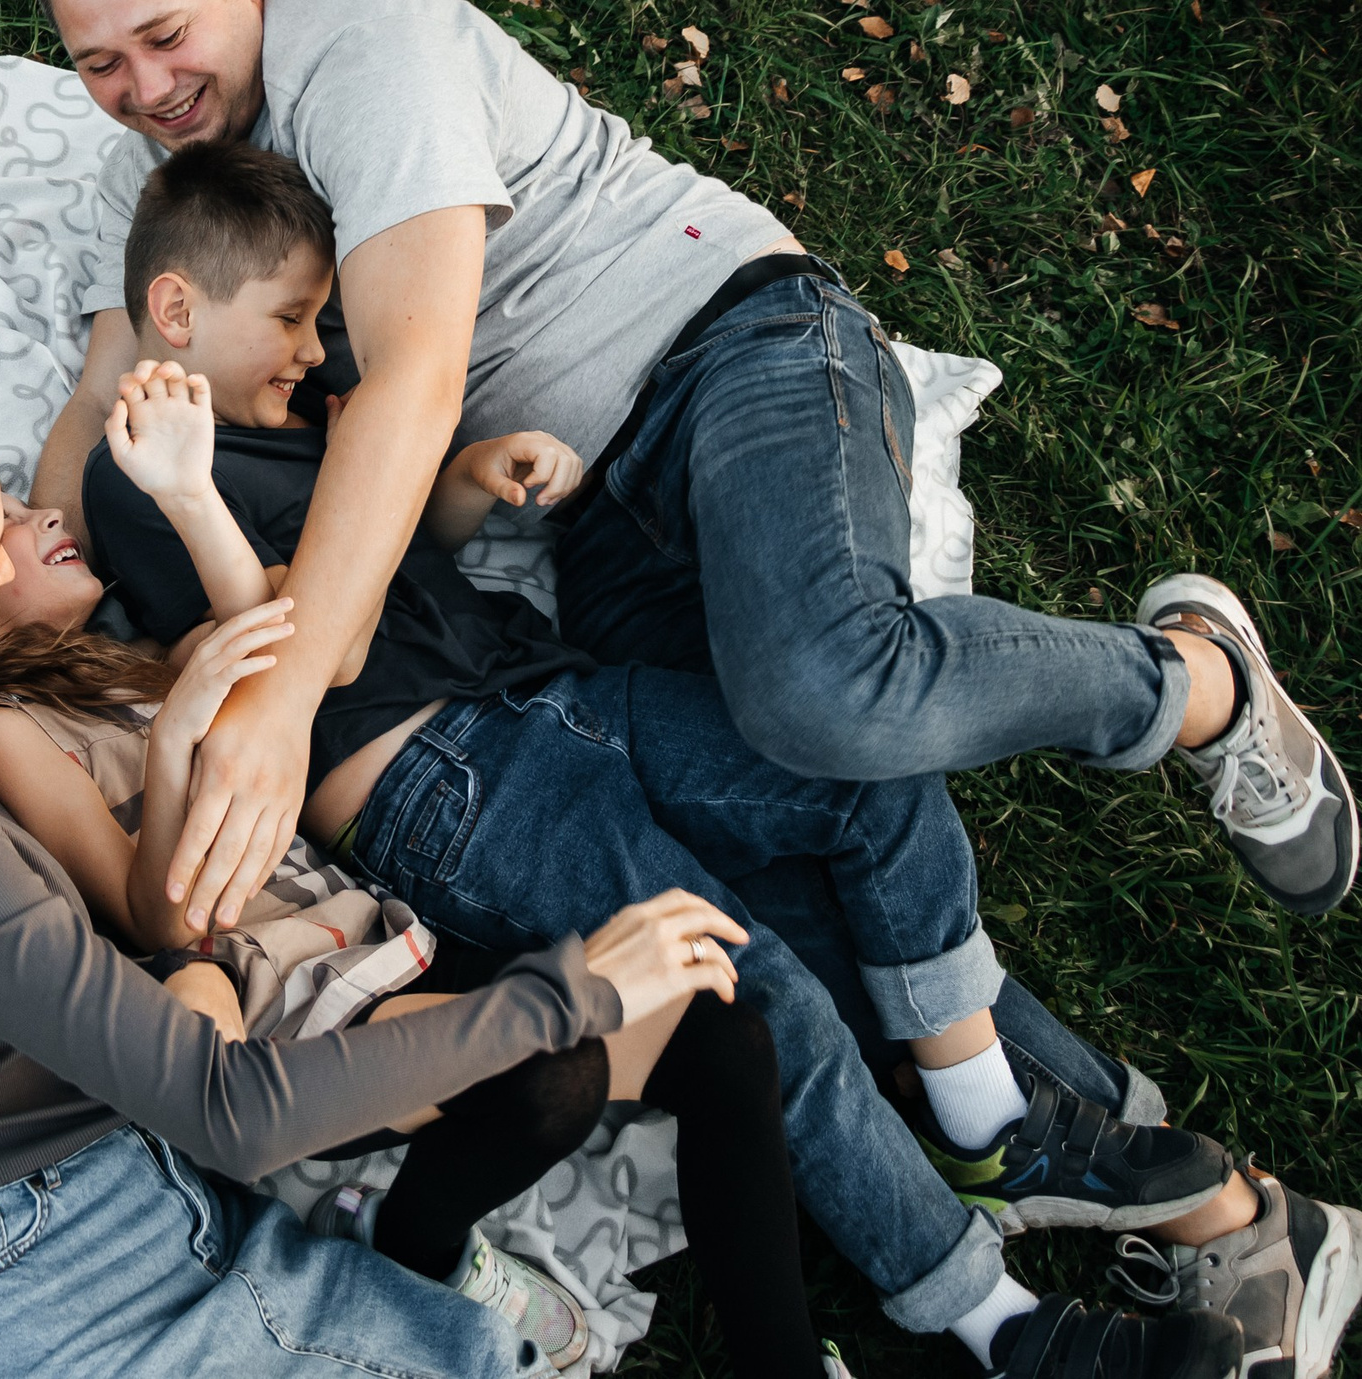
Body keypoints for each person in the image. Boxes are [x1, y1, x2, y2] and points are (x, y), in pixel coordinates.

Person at [77, 139, 1356, 1377]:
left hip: (555, 698)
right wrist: (187, 486)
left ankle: (988, 1123)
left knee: (864, 781)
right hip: (444, 790)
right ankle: (996, 1325)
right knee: (767, 991)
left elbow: (408, 557)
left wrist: (466, 479)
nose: (311, 350)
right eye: (292, 319)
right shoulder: (146, 472)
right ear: (179, 306)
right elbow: (302, 656)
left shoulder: (299, 416)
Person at [21, 0, 1352, 943]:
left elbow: (413, 380)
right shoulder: (143, 185)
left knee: (828, 690)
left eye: (165, 32)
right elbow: (97, 391)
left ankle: (1195, 682)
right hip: (591, 514)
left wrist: (286, 690)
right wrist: (5, 599)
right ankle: (1066, 1148)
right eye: (99, 64)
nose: (144, 88)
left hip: (731, 350)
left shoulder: (369, 61)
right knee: (762, 826)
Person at [0, 361, 757, 1379]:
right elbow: (228, 1110)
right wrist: (573, 994)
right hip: (44, 1283)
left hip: (123, 1190)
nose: (0, 567)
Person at [0, 526, 823, 1375]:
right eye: (6, 518)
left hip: (383, 936)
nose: (44, 513)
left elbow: (290, 616)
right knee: (556, 1073)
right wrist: (179, 739)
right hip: (286, 1003)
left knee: (723, 1038)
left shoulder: (136, 662)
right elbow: (152, 920)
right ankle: (416, 1245)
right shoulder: (4, 727)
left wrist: (189, 491)